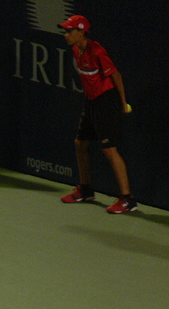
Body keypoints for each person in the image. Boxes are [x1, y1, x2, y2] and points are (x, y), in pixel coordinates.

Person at [58, 15, 137, 214]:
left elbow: (116, 75)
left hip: (106, 101)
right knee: (80, 144)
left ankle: (127, 200)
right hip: (91, 102)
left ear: (81, 32)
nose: (66, 35)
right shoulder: (76, 50)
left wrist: (122, 102)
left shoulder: (98, 51)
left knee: (109, 150)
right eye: (65, 31)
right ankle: (85, 189)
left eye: (69, 31)